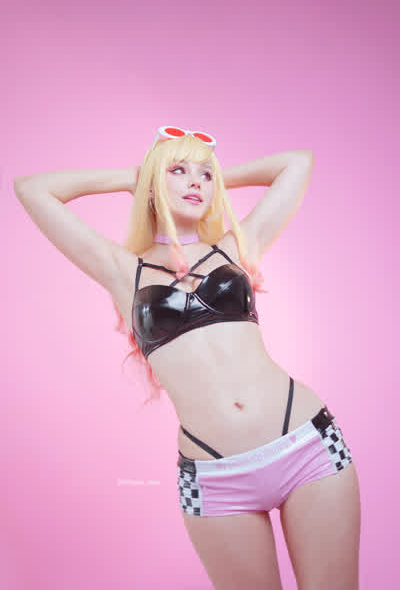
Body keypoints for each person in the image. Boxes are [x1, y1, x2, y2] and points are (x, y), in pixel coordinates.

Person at [14, 126, 361, 589]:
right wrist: (141, 177)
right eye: (179, 171)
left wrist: (211, 177)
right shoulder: (122, 270)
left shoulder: (237, 246)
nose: (195, 181)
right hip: (216, 478)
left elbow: (296, 163)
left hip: (306, 445)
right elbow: (33, 189)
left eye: (205, 174)